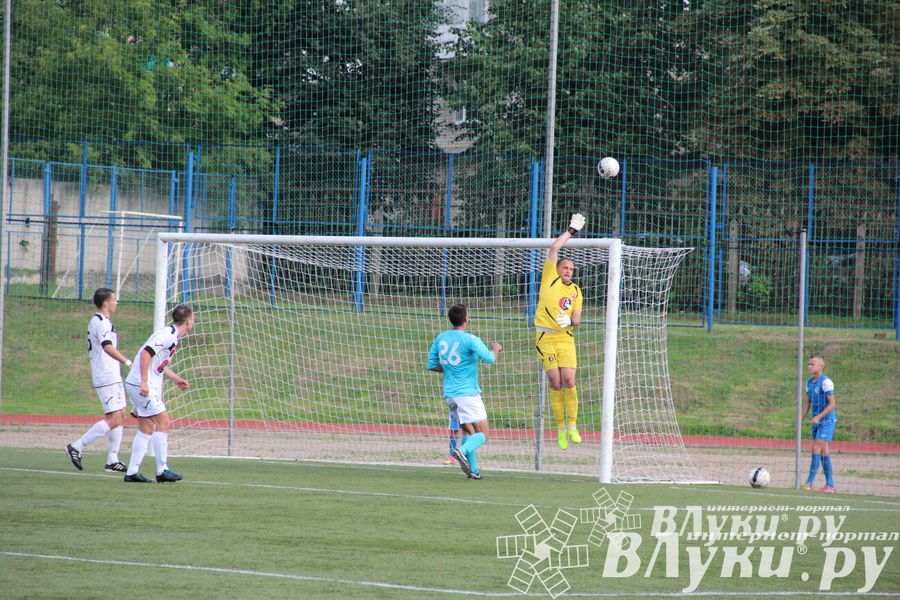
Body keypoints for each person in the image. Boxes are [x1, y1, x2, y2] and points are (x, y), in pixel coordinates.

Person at [428, 304, 501, 480]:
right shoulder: (470, 339)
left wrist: (452, 369)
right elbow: (490, 359)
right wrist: (496, 348)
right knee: (483, 433)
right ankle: (459, 451)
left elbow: (432, 365)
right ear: (466, 319)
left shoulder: (441, 338)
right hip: (467, 394)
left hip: (450, 395)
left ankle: (473, 470)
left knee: (468, 431)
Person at [122, 304, 194, 483]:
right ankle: (162, 469)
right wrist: (144, 382)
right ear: (188, 321)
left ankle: (132, 472)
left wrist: (176, 379)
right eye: (193, 319)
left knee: (147, 428)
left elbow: (159, 364)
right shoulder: (167, 335)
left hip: (136, 383)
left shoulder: (172, 336)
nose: (194, 322)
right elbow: (146, 354)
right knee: (164, 421)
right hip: (141, 385)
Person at [64, 288, 133, 473]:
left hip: (112, 374)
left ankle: (112, 459)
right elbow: (107, 347)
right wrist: (127, 362)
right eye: (114, 300)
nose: (116, 303)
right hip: (106, 375)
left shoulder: (104, 321)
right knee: (115, 417)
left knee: (120, 415)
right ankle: (77, 446)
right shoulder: (100, 322)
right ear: (105, 303)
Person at [534, 213, 586, 450]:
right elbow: (555, 247)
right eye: (565, 267)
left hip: (565, 339)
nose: (568, 270)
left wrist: (570, 322)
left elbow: (577, 318)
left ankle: (573, 425)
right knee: (555, 383)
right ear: (557, 269)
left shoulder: (575, 291)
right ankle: (560, 428)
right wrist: (571, 231)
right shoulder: (549, 278)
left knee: (569, 380)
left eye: (571, 269)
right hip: (545, 337)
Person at [801, 353, 837, 493]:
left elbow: (832, 404)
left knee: (816, 448)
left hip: (827, 421)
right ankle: (830, 485)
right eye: (809, 364)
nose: (810, 366)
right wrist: (801, 418)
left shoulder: (826, 382)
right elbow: (807, 403)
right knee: (824, 451)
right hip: (817, 422)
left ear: (821, 366)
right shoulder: (809, 383)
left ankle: (808, 483)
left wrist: (819, 417)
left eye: (813, 364)